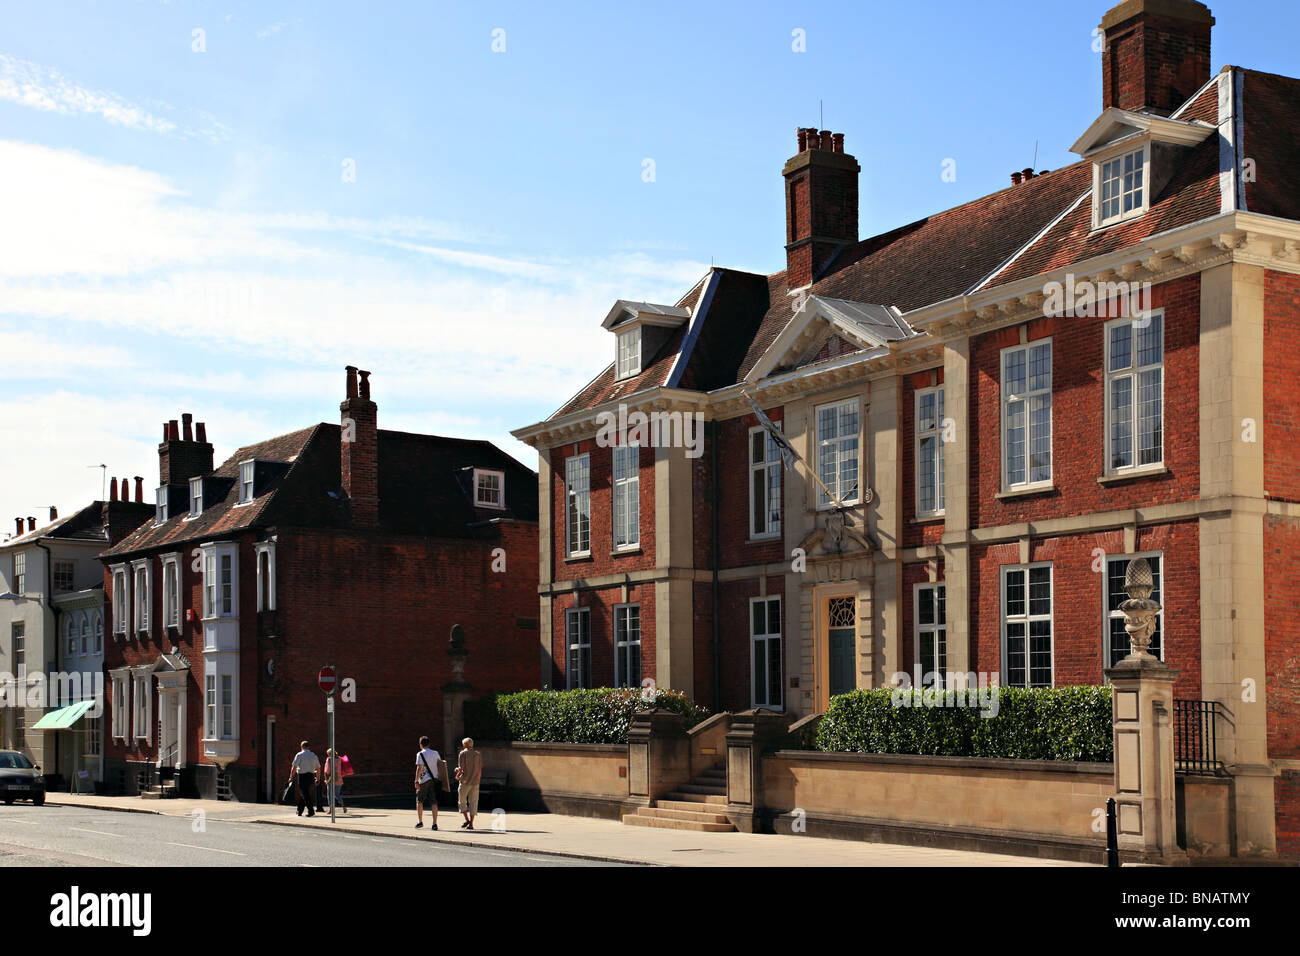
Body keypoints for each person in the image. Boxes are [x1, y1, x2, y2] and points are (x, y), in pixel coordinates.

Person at [455, 737, 482, 830]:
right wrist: (478, 778)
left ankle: (467, 819)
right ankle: (471, 824)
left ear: (464, 744)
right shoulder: (478, 754)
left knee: (462, 801)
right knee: (474, 802)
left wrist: (457, 773)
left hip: (465, 781)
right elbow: (480, 769)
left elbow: (461, 767)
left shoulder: (462, 753)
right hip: (475, 782)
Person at [414, 736, 441, 830]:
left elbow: (419, 768)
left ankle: (420, 821)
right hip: (434, 780)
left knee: (419, 801)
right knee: (434, 802)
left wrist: (416, 781)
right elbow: (440, 765)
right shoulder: (436, 753)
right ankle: (434, 824)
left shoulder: (420, 754)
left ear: (420, 744)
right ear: (429, 744)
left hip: (424, 780)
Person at [289, 740, 320, 817]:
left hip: (302, 776)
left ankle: (311, 811)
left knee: (304, 793)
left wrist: (291, 777)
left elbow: (294, 767)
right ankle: (299, 810)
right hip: (310, 776)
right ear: (309, 747)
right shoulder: (314, 755)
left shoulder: (299, 755)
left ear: (301, 747)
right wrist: (318, 778)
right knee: (304, 793)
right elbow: (319, 768)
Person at [322, 748, 349, 813]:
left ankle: (331, 809)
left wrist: (326, 779)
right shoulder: (340, 759)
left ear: (329, 754)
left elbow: (327, 771)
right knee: (337, 794)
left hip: (331, 779)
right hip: (339, 779)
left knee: (330, 794)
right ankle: (343, 806)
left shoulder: (329, 759)